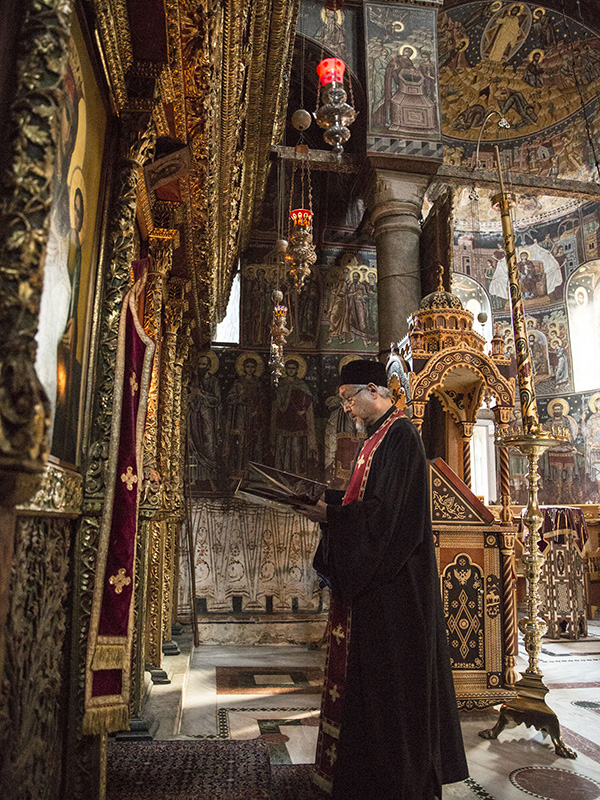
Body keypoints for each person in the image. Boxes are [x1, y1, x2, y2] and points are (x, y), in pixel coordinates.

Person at [295, 360, 468, 800]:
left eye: (350, 399)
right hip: (380, 586)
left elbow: (388, 517)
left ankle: (399, 784)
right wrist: (323, 500)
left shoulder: (402, 437)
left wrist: (330, 514)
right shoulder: (375, 439)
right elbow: (366, 503)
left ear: (373, 389)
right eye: (343, 403)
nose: (348, 409)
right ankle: (367, 779)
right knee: (372, 687)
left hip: (398, 588)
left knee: (394, 690)